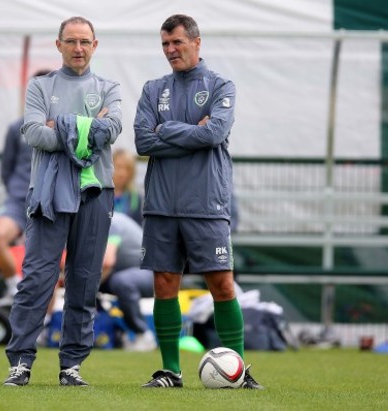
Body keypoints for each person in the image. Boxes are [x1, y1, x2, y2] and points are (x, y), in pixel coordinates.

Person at [133, 14, 262, 389]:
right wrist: (193, 130)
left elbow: (215, 133)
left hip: (206, 203)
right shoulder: (154, 89)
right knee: (165, 284)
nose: (170, 50)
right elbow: (143, 141)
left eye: (176, 42)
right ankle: (170, 371)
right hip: (161, 203)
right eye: (165, 45)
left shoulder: (221, 85)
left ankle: (239, 369)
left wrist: (166, 130)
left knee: (222, 284)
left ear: (196, 42)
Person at [3, 16, 122, 387]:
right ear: (58, 45)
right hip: (50, 193)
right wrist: (87, 126)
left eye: (85, 41)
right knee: (38, 279)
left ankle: (71, 366)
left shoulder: (109, 87)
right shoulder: (41, 85)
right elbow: (35, 134)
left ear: (95, 45)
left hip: (95, 192)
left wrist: (63, 125)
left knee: (84, 282)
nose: (78, 48)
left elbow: (113, 129)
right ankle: (20, 362)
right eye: (71, 41)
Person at [0, 69, 52, 301]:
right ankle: (15, 288)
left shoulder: (70, 126)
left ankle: (45, 321)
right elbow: (7, 169)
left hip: (51, 205)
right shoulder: (17, 128)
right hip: (18, 202)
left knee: (46, 263)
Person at [100, 212, 155, 351]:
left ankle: (143, 335)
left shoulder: (111, 221)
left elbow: (107, 262)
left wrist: (89, 288)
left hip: (149, 274)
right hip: (116, 274)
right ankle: (107, 333)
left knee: (122, 281)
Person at [112, 148, 144, 225]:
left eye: (127, 168)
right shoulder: (100, 195)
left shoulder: (135, 198)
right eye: (118, 167)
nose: (122, 173)